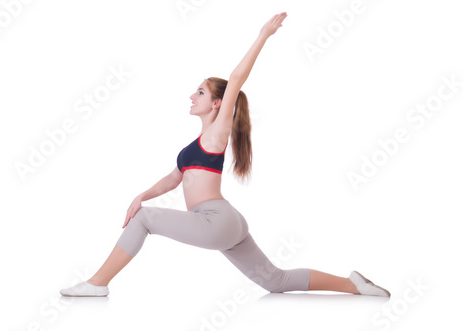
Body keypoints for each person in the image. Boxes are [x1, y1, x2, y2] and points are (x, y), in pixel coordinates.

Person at [60, 12, 390, 298]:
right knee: (275, 281)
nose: (192, 96)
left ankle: (98, 283)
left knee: (146, 219)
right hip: (227, 221)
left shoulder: (218, 133)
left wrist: (264, 35)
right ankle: (353, 285)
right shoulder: (197, 143)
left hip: (214, 220)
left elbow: (235, 80)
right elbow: (174, 179)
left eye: (200, 92)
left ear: (217, 104)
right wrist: (142, 194)